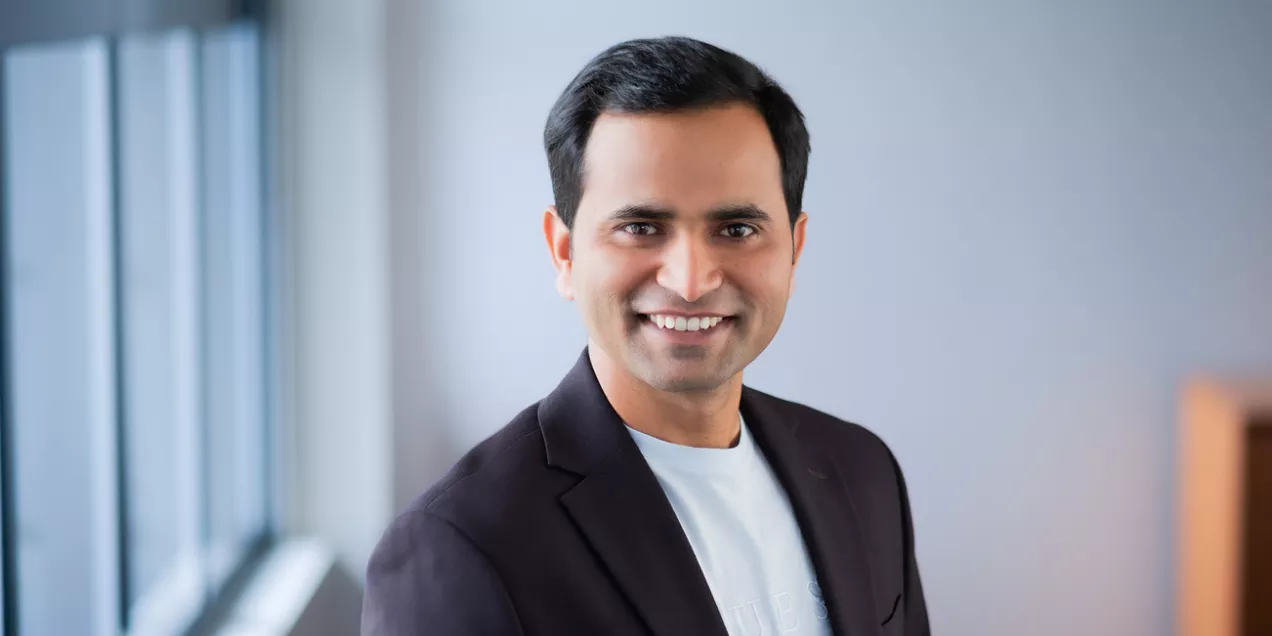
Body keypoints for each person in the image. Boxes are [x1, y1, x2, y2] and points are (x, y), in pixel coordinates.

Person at [362, 36, 929, 636]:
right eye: (640, 227)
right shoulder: (463, 545)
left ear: (795, 249)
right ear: (564, 253)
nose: (690, 281)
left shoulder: (862, 470)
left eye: (737, 228)